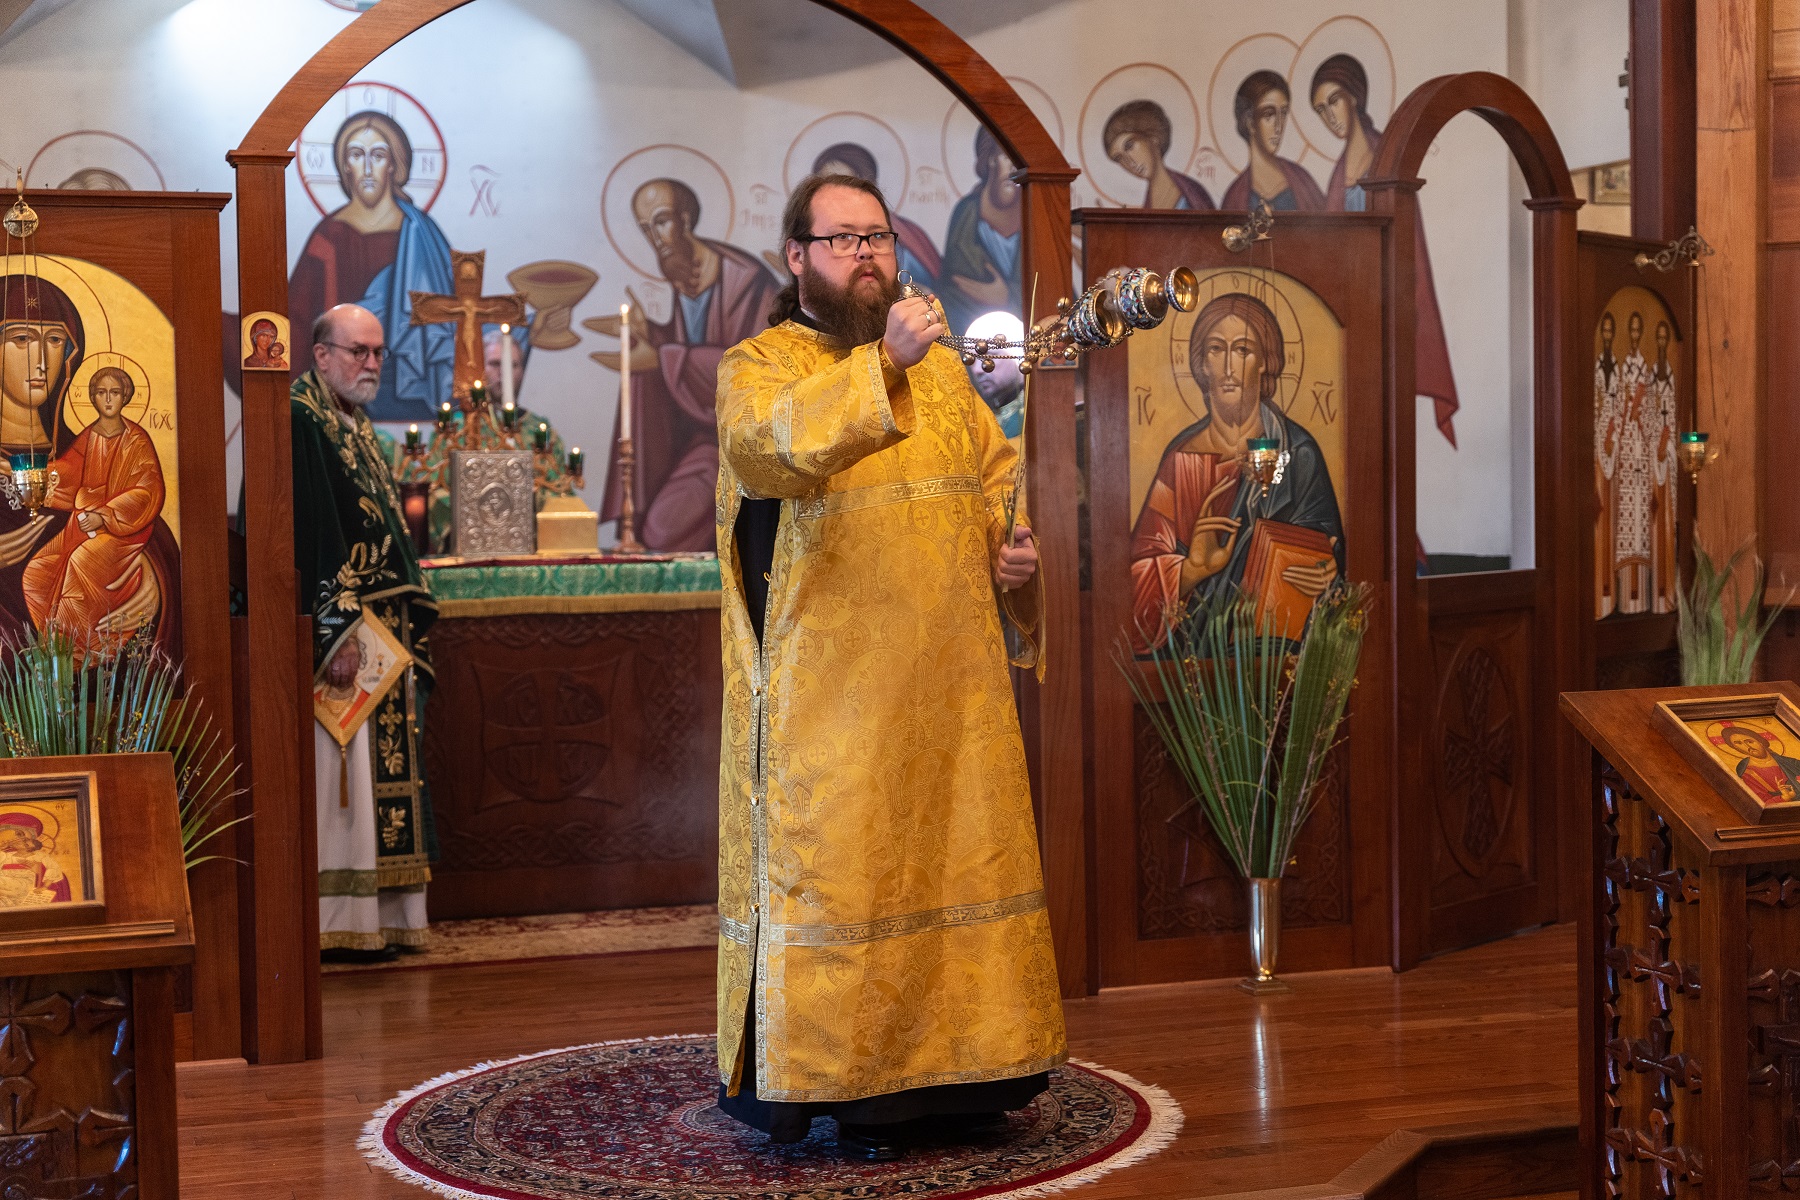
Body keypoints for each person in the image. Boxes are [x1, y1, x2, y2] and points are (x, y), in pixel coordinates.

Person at [713, 173, 1065, 1161]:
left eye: (877, 237)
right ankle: (853, 1093)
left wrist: (1015, 554)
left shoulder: (945, 374)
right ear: (797, 256)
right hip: (833, 708)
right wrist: (884, 366)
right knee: (847, 887)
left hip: (953, 695)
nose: (865, 255)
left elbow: (994, 482)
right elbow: (763, 452)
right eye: (842, 240)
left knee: (959, 870)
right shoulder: (760, 364)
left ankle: (972, 1080)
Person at [292, 303, 437, 957]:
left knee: (380, 779)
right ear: (322, 354)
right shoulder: (302, 419)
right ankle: (341, 921)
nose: (372, 363)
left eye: (379, 352)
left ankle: (386, 916)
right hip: (348, 634)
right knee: (344, 778)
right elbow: (314, 529)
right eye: (359, 351)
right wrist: (337, 629)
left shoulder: (353, 421)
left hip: (381, 630)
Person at [1127, 292, 1343, 653]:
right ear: (1201, 363)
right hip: (1193, 662)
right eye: (1216, 349)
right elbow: (1134, 584)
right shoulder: (1181, 458)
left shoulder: (1293, 451)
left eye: (1243, 350)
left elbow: (1330, 552)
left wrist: (1329, 573)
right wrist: (1193, 569)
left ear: (1265, 361)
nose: (1228, 366)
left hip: (1276, 657)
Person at [594, 178, 782, 552]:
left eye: (661, 221)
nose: (656, 238)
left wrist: (662, 357)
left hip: (745, 444)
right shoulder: (683, 272)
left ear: (685, 218)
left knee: (663, 531)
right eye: (645, 229)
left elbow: (757, 370)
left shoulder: (746, 280)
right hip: (702, 438)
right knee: (653, 529)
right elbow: (694, 345)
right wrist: (651, 337)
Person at [0, 276, 176, 653]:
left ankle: (74, 655)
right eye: (21, 338)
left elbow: (147, 513)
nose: (40, 360)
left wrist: (151, 584)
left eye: (54, 340)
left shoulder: (90, 445)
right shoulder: (83, 450)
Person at [1310, 54, 1459, 447]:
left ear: (1354, 97)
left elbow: (1410, 248)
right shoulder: (1337, 176)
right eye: (1321, 110)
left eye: (1334, 101)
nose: (1330, 117)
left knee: (1386, 419)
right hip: (1352, 308)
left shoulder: (1386, 158)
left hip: (1388, 304)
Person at [288, 110, 456, 422]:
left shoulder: (423, 233)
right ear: (344, 166)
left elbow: (451, 314)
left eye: (378, 155)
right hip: (340, 398)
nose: (367, 168)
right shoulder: (328, 234)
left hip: (410, 390)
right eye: (356, 155)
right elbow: (297, 321)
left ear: (393, 164)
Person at [22, 365, 166, 655]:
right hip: (82, 524)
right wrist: (34, 476)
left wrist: (105, 515)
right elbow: (68, 473)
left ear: (125, 396)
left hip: (122, 532)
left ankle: (79, 653)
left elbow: (148, 491)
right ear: (92, 398)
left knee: (79, 564)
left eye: (115, 392)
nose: (108, 399)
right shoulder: (89, 436)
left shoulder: (136, 440)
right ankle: (54, 650)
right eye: (101, 392)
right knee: (37, 572)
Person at [811, 142, 942, 290]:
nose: (833, 195)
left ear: (868, 188)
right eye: (824, 185)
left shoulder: (899, 239)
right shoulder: (813, 236)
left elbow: (920, 287)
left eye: (844, 185)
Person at [940, 127, 1023, 340]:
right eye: (1006, 157)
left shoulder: (1036, 218)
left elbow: (1054, 289)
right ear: (990, 160)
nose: (1013, 167)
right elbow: (953, 287)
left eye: (1020, 161)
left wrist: (1008, 298)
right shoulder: (966, 214)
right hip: (972, 338)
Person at [1220, 71, 1326, 213]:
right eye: (1269, 114)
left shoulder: (1302, 180)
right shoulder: (1235, 196)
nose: (1279, 126)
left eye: (1283, 113)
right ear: (1250, 122)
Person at [1103, 99, 1215, 211]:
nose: (1129, 162)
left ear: (1153, 138)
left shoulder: (1193, 192)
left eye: (1129, 146)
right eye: (1119, 158)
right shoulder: (1148, 204)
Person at [962, 310, 1025, 438]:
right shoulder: (982, 422)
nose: (977, 370)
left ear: (1018, 354)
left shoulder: (1036, 412)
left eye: (990, 356)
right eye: (972, 360)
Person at [1719, 725, 1800, 806]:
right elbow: (1761, 804)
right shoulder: (1748, 773)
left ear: (1760, 742)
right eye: (1739, 744)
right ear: (1736, 748)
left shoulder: (1792, 762)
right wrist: (1784, 797)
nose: (1747, 747)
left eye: (1750, 742)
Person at [0, 812, 70, 905]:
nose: (18, 840)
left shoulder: (40, 856)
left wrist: (44, 884)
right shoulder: (6, 855)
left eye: (24, 840)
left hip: (24, 886)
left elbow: (53, 869)